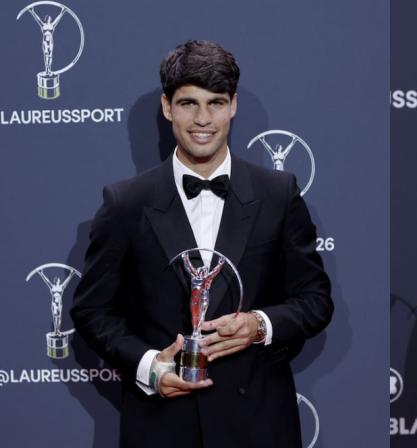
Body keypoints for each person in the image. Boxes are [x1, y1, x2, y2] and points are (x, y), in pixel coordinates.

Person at [71, 40, 333, 448]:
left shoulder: (278, 193)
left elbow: (315, 301)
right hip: (162, 425)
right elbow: (92, 311)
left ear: (233, 106)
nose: (203, 119)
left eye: (215, 102)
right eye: (189, 103)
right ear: (167, 107)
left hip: (259, 426)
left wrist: (258, 325)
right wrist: (150, 367)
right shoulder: (126, 203)